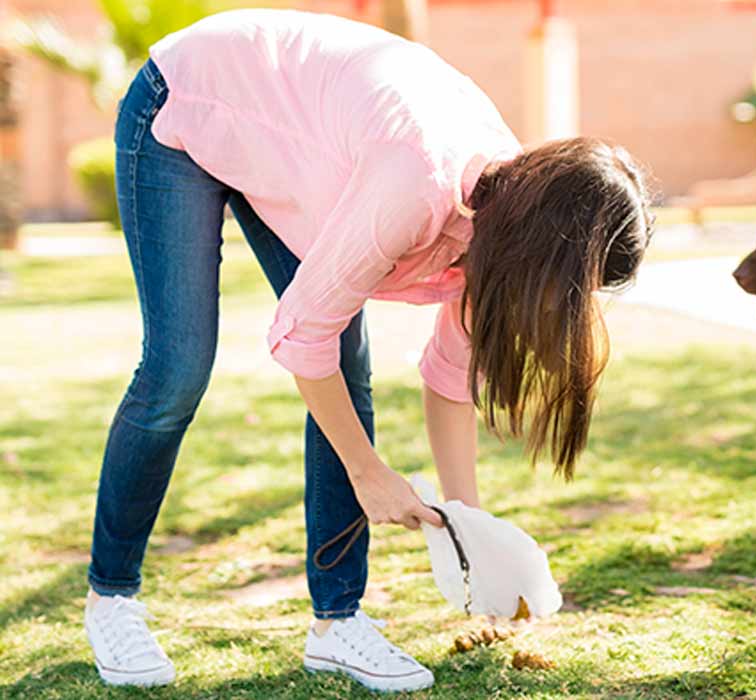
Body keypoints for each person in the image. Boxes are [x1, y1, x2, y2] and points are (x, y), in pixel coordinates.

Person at [84, 8, 652, 692]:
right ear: (539, 251)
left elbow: (450, 377)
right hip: (188, 98)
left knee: (347, 366)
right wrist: (367, 472)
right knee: (180, 366)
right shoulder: (415, 182)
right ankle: (111, 597)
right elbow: (305, 334)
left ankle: (337, 623)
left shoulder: (509, 216)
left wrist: (468, 533)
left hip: (300, 138)